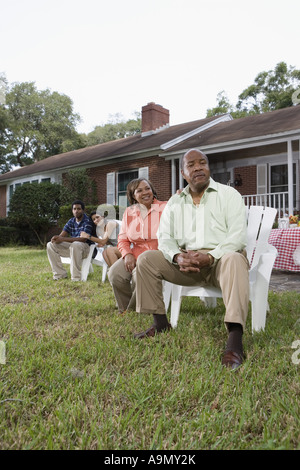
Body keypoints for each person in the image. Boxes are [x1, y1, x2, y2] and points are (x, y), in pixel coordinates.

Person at [134, 149, 249, 370]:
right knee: (147, 259)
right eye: (191, 165)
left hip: (221, 261)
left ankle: (235, 341)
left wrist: (210, 256)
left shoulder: (229, 195)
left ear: (208, 167)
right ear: (183, 173)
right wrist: (177, 256)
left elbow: (237, 237)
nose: (198, 167)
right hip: (186, 264)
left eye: (202, 163)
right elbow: (164, 238)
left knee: (235, 258)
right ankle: (160, 324)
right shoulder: (176, 202)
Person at [108, 178, 166, 314]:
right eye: (139, 190)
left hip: (157, 254)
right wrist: (127, 254)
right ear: (133, 195)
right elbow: (123, 238)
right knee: (115, 274)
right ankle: (125, 307)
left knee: (137, 276)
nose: (145, 192)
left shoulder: (165, 207)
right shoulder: (129, 212)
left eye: (148, 188)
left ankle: (135, 311)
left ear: (153, 191)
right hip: (136, 253)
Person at [47, 200, 94, 281]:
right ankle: (60, 274)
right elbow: (61, 236)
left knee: (76, 244)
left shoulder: (88, 221)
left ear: (83, 210)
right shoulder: (71, 221)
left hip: (86, 249)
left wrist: (63, 239)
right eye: (74, 209)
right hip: (73, 248)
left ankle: (76, 277)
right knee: (50, 245)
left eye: (78, 209)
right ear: (72, 210)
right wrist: (56, 239)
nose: (76, 211)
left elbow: (83, 239)